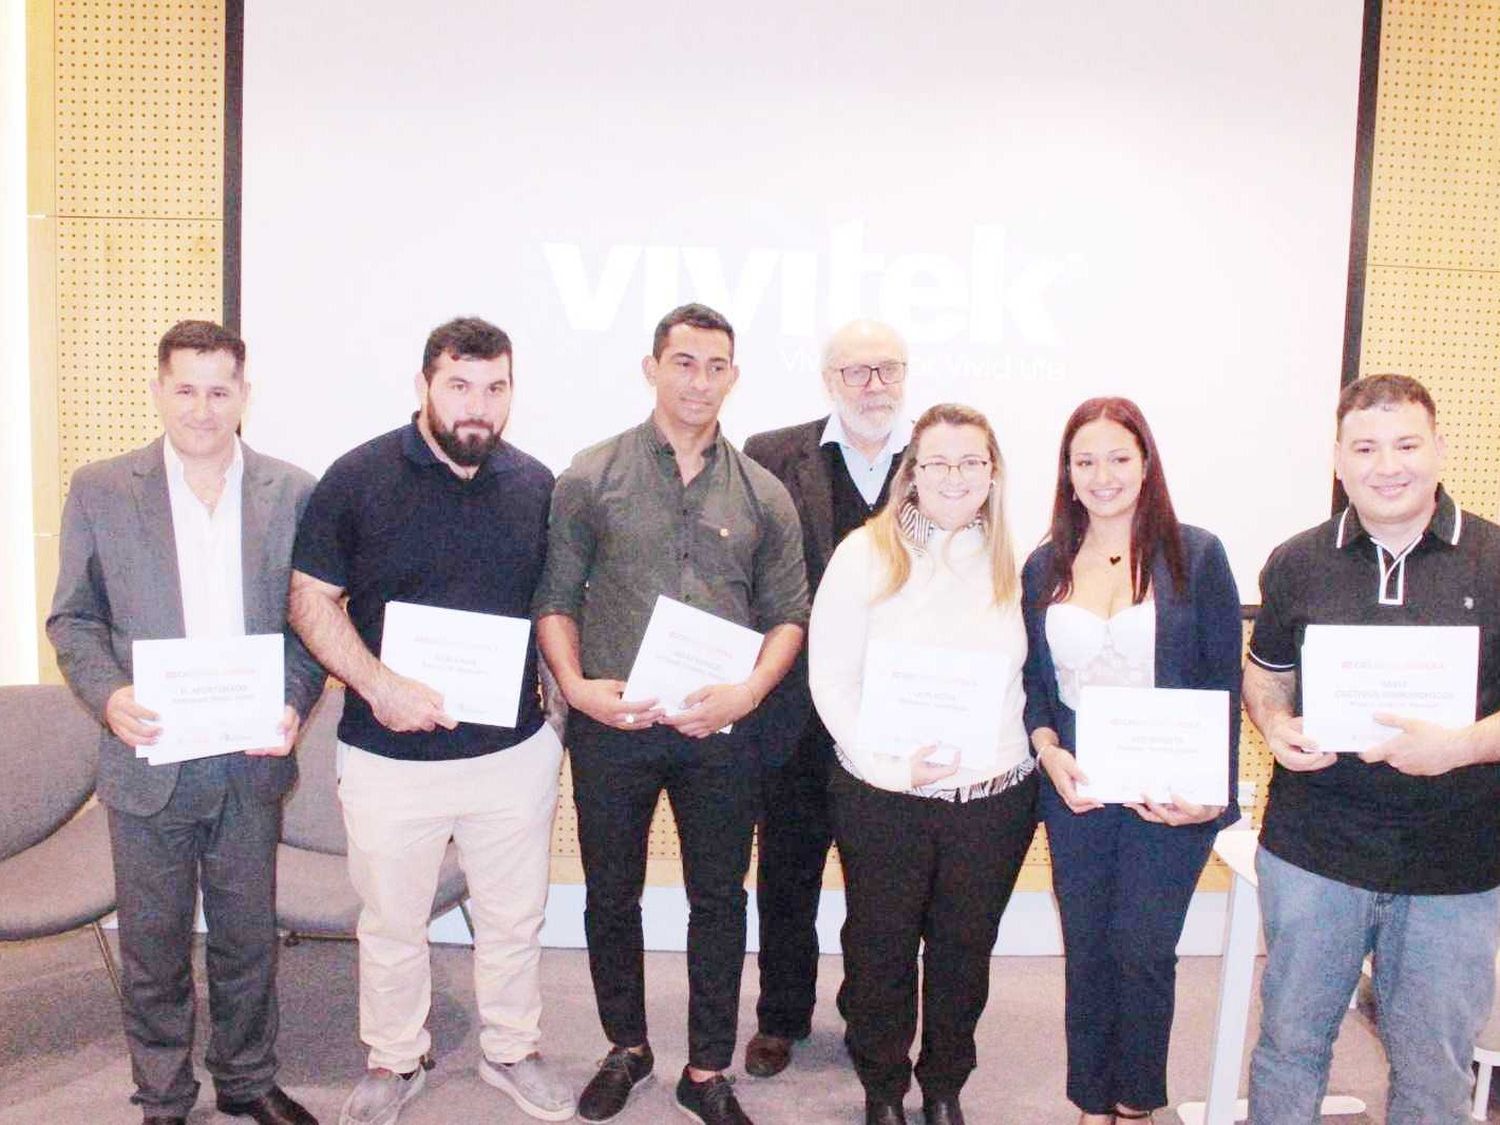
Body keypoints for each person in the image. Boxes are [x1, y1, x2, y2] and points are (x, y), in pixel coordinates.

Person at [286, 318, 572, 1125]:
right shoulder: (356, 477)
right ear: (424, 385)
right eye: (460, 385)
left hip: (511, 754)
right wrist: (377, 685)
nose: (478, 405)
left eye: (495, 387)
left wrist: (556, 722)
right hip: (387, 752)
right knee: (392, 921)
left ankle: (513, 1047)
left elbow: (552, 608)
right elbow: (311, 598)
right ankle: (394, 1056)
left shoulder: (536, 483)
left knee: (515, 917)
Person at [534, 302, 809, 1125]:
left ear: (734, 376)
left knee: (718, 897)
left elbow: (788, 615)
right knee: (610, 893)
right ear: (651, 367)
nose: (699, 380)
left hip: (721, 731)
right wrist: (579, 688)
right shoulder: (590, 474)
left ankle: (704, 1067)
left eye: (715, 365)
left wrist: (750, 691)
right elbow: (555, 600)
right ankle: (628, 1047)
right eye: (683, 362)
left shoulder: (765, 492)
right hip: (613, 725)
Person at [47, 320, 324, 1125]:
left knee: (247, 940)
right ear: (158, 389)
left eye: (219, 389)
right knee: (154, 947)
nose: (203, 408)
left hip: (248, 759)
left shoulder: (293, 491)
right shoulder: (101, 488)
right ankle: (163, 1095)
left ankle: (246, 1079)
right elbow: (73, 619)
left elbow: (310, 625)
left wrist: (294, 704)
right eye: (186, 388)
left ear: (244, 392)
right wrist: (108, 696)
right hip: (149, 758)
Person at [1243, 373, 1500, 1124]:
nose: (1387, 464)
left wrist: (1461, 746)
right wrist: (1275, 724)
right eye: (1365, 446)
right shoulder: (1297, 560)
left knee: (1434, 1065)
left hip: (1456, 861)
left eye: (1406, 443)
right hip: (1314, 852)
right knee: (1290, 1045)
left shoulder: (1496, 559)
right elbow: (1267, 674)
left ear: (1440, 449)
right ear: (1339, 458)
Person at [808, 403, 1037, 1125]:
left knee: (964, 952)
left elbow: (1038, 683)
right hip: (884, 795)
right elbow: (830, 680)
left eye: (972, 461)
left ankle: (944, 1085)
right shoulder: (865, 554)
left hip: (992, 799)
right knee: (880, 948)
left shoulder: (1021, 561)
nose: (955, 476)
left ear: (993, 472)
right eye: (937, 461)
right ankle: (883, 1088)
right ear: (911, 472)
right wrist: (887, 765)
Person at [1020, 397, 1241, 1124]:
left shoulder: (1197, 554)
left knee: (1142, 947)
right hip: (1077, 782)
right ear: (1068, 472)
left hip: (1169, 784)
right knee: (1087, 949)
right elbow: (1035, 685)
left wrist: (1209, 794)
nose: (1103, 474)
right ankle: (1091, 1101)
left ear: (1146, 464)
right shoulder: (1043, 563)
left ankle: (1137, 1101)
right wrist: (1046, 749)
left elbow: (1222, 680)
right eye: (1086, 460)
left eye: (1119, 456)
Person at [740, 319, 912, 1079]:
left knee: (885, 885)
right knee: (787, 873)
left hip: (903, 712)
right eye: (856, 372)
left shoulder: (941, 455)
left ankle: (869, 1015)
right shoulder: (772, 454)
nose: (873, 385)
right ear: (828, 380)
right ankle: (780, 1016)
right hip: (796, 713)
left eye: (887, 370)